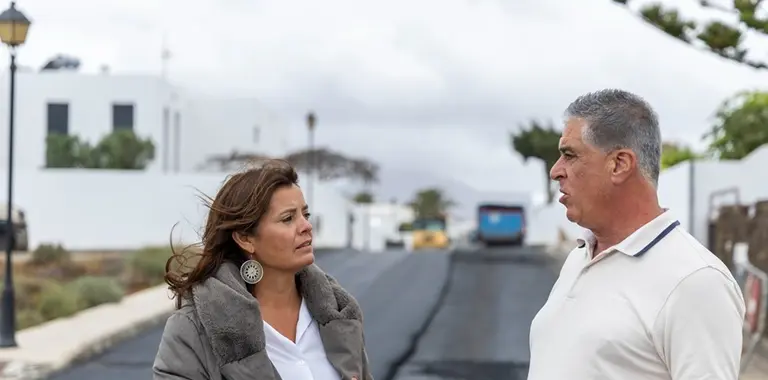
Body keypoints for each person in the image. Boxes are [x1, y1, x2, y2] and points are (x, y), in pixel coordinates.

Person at [527, 89, 746, 380]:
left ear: (619, 164)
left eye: (570, 155)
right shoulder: (579, 257)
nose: (556, 171)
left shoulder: (696, 282)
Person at [152, 159, 373, 380]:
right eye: (288, 219)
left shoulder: (340, 312)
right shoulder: (192, 330)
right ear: (245, 238)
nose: (306, 226)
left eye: (305, 215)